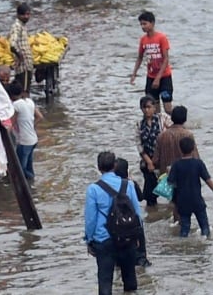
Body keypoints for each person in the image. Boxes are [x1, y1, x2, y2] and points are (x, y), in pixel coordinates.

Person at [84, 151, 142, 295]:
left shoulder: (93, 189)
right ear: (115, 165)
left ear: (98, 167)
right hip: (127, 237)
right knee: (130, 282)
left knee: (105, 282)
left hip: (103, 239)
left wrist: (89, 240)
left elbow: (90, 219)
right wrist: (138, 236)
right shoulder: (128, 185)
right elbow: (137, 213)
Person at [167, 136, 213, 238]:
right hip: (197, 200)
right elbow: (208, 180)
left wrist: (173, 200)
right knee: (204, 227)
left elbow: (170, 183)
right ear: (193, 148)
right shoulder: (198, 163)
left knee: (185, 228)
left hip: (182, 201)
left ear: (180, 149)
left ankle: (183, 247)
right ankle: (205, 244)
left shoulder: (176, 165)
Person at [130, 11, 173, 114]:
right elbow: (140, 57)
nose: (143, 26)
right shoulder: (143, 40)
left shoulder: (161, 38)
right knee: (154, 110)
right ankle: (160, 128)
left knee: (167, 108)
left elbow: (166, 59)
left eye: (145, 23)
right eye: (141, 24)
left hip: (164, 77)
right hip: (150, 77)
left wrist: (158, 78)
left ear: (152, 23)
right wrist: (134, 73)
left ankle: (178, 124)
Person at [136, 95, 172, 207]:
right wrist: (149, 162)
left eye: (148, 107)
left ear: (154, 108)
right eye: (144, 108)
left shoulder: (163, 118)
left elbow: (175, 130)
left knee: (171, 190)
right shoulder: (139, 124)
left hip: (165, 160)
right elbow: (139, 145)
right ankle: (152, 214)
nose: (146, 110)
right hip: (149, 161)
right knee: (150, 195)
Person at [8, 81, 43, 181]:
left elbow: (11, 123)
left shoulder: (16, 105)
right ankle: (32, 184)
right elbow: (40, 117)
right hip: (33, 139)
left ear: (10, 95)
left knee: (20, 169)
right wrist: (31, 126)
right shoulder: (29, 102)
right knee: (28, 165)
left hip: (24, 142)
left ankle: (27, 185)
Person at [9, 4, 34, 91]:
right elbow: (12, 44)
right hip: (24, 66)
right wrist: (20, 56)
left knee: (24, 88)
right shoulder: (17, 26)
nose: (26, 17)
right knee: (24, 90)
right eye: (24, 14)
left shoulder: (22, 26)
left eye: (28, 14)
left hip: (26, 65)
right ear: (18, 15)